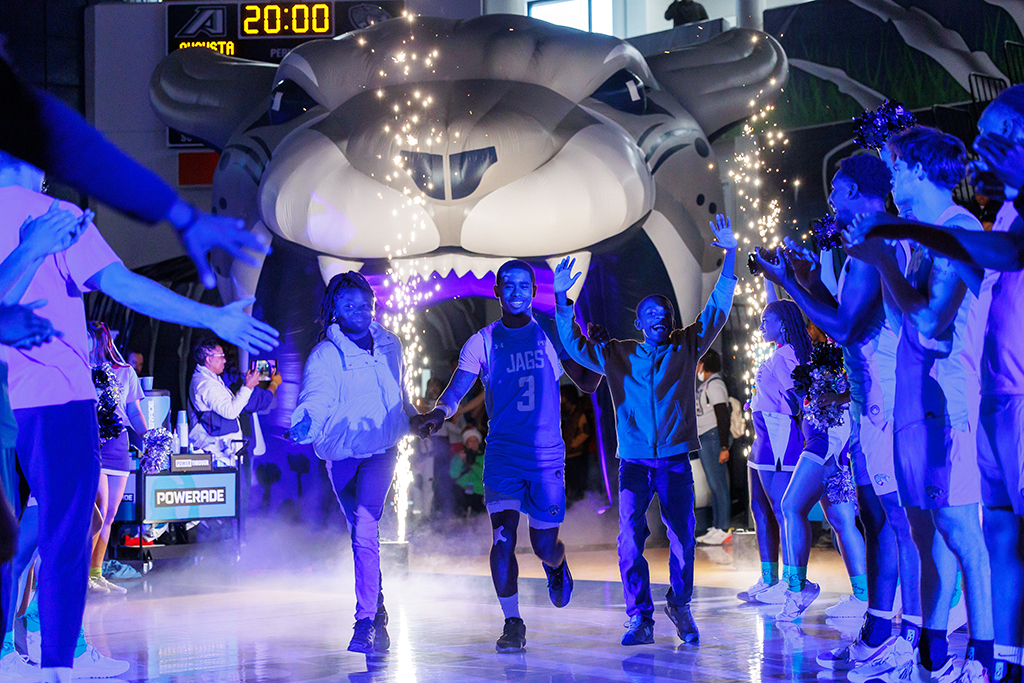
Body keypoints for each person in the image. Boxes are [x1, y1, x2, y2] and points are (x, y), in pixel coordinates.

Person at [0, 153, 279, 683]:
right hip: (55, 397)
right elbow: (122, 285)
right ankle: (62, 655)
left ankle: (11, 656)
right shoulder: (53, 213)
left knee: (8, 532)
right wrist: (209, 315)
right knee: (67, 527)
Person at [848, 90, 1024, 683]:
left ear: (920, 170)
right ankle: (933, 656)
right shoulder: (921, 234)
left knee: (964, 532)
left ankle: (983, 657)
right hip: (913, 403)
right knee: (925, 535)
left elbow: (929, 328)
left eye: (896, 167)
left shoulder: (955, 228)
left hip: (951, 404)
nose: (891, 177)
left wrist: (885, 263)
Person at [755, 153, 923, 673]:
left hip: (886, 400)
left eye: (836, 189)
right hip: (872, 399)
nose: (830, 200)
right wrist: (803, 282)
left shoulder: (874, 241)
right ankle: (879, 628)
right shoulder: (869, 243)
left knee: (893, 521)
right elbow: (844, 313)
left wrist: (791, 288)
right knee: (877, 519)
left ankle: (907, 636)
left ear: (853, 190)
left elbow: (847, 328)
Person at [553, 214, 737, 646]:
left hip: (673, 460)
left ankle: (681, 603)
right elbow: (575, 344)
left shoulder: (686, 346)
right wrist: (562, 300)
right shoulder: (617, 354)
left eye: (664, 313)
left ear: (671, 320)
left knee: (683, 537)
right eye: (649, 313)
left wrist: (729, 255)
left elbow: (719, 308)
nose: (657, 317)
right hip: (634, 461)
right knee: (630, 538)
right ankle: (639, 617)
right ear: (639, 323)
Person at [412, 259, 601, 654]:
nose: (515, 291)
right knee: (502, 539)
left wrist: (595, 354)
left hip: (546, 456)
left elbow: (586, 382)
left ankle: (555, 565)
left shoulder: (550, 332)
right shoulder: (481, 341)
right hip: (502, 454)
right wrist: (436, 415)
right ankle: (512, 622)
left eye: (523, 285)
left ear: (534, 293)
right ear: (497, 291)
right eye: (507, 285)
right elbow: (454, 393)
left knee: (543, 544)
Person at [287, 271, 417, 656]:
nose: (358, 311)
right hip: (341, 455)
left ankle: (364, 622)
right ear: (334, 309)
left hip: (381, 449)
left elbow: (399, 394)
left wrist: (415, 418)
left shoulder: (391, 344)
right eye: (348, 304)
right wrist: (305, 420)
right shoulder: (326, 355)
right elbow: (316, 396)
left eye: (364, 303)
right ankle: (377, 611)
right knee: (361, 537)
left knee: (364, 526)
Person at [740, 295, 810, 611]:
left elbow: (798, 396)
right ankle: (768, 579)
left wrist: (785, 408)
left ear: (782, 325)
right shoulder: (779, 353)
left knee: (782, 510)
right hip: (763, 437)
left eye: (767, 321)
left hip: (778, 437)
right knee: (760, 508)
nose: (762, 325)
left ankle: (790, 581)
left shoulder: (785, 357)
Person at [86, 322, 147, 596]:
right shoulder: (78, 370)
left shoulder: (125, 372)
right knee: (97, 508)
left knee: (109, 514)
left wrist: (148, 437)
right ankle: (80, 574)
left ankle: (96, 574)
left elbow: (133, 411)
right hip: (90, 443)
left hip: (118, 444)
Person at [189, 337, 269, 466]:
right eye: (221, 356)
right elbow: (230, 411)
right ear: (209, 359)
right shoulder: (206, 384)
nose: (225, 361)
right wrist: (248, 387)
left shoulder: (210, 378)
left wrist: (246, 386)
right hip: (216, 455)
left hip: (220, 452)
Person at [693, 349, 733, 545]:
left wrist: (724, 445)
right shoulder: (706, 385)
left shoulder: (715, 384)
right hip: (704, 437)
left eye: (699, 362)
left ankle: (724, 527)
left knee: (719, 484)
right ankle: (717, 526)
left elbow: (722, 415)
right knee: (713, 484)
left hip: (713, 437)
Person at [560, 385, 591, 505]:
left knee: (577, 486)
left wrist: (572, 444)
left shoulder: (578, 414)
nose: (561, 398)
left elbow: (585, 432)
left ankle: (579, 508)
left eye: (563, 395)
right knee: (568, 486)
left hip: (576, 456)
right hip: (566, 456)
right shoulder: (565, 414)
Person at [451, 428, 486, 516]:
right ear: (466, 444)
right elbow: (453, 475)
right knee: (459, 514)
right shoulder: (459, 456)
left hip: (478, 491)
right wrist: (460, 460)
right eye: (470, 441)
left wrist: (473, 465)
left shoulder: (484, 458)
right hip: (462, 488)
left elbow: (484, 477)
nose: (473, 444)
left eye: (476, 441)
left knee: (478, 517)